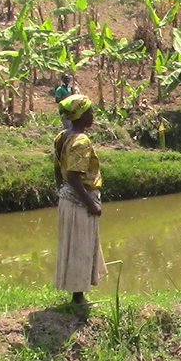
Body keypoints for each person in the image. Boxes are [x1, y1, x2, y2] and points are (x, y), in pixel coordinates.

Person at [53, 95, 106, 306]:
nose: (93, 116)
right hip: (79, 201)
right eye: (90, 112)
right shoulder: (81, 141)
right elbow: (75, 175)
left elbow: (59, 170)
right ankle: (78, 298)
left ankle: (78, 295)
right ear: (82, 116)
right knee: (80, 248)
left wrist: (62, 191)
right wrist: (90, 203)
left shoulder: (62, 136)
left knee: (72, 246)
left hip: (67, 198)